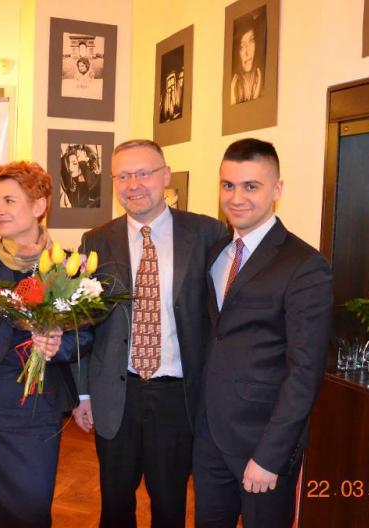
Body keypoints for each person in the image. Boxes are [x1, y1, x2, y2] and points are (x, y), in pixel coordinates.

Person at [72, 139, 227, 527]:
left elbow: (222, 315)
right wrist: (83, 393)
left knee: (170, 504)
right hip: (116, 393)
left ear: (165, 176)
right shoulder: (96, 240)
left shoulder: (207, 233)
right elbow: (82, 325)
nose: (133, 184)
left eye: (143, 173)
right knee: (114, 505)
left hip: (178, 395)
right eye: (123, 176)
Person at [193, 139, 333, 527]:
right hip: (209, 436)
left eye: (251, 186)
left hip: (261, 444)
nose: (236, 198)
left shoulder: (305, 265)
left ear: (277, 189)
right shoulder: (218, 252)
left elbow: (305, 370)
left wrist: (270, 455)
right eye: (228, 185)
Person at [0, 161, 92, 528]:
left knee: (32, 508)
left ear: (39, 205)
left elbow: (87, 334)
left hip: (38, 412)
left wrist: (58, 345)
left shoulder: (70, 265)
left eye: (9, 201)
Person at [230, 11, 264, 105]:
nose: (247, 52)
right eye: (242, 46)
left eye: (251, 41)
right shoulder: (234, 90)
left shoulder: (263, 83)